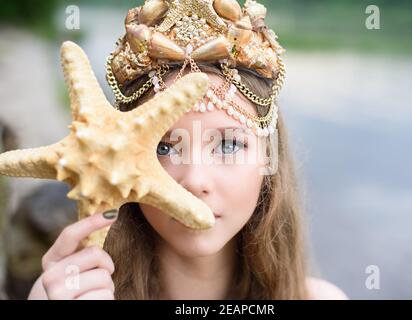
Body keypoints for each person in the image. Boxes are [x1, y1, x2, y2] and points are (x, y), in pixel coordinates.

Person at [28, 0, 348, 300]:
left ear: (269, 157)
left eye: (228, 144)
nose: (195, 181)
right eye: (164, 147)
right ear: (118, 160)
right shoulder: (61, 293)